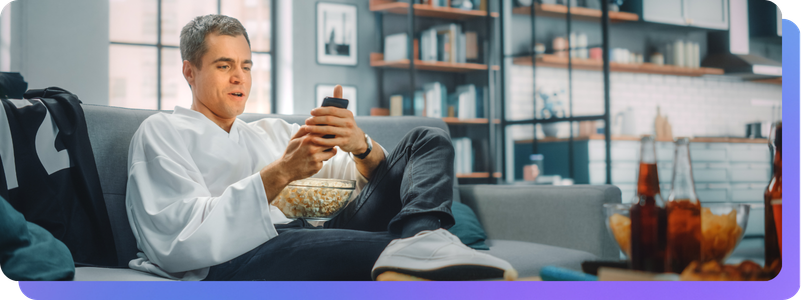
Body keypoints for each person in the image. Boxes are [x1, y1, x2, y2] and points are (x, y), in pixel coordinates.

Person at [125, 14, 516, 281]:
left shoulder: (269, 132)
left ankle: (421, 235)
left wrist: (360, 147)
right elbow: (177, 236)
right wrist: (282, 173)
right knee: (386, 245)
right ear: (189, 71)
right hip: (240, 256)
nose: (239, 77)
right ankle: (424, 245)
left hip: (318, 229)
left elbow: (358, 183)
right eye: (224, 65)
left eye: (246, 66)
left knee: (426, 138)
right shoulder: (162, 131)